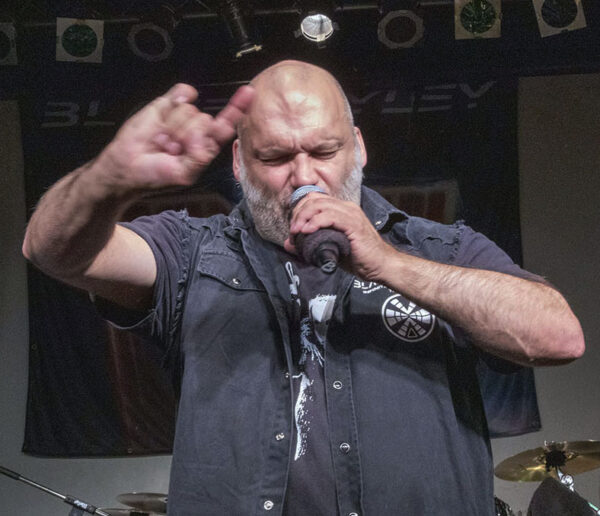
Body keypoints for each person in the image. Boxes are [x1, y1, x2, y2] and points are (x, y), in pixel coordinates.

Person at [22, 60, 584, 516]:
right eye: (275, 157)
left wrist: (390, 263)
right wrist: (108, 180)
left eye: (323, 151)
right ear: (239, 161)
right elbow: (53, 252)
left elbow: (558, 337)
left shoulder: (438, 249)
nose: (304, 176)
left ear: (358, 147)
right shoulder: (190, 253)